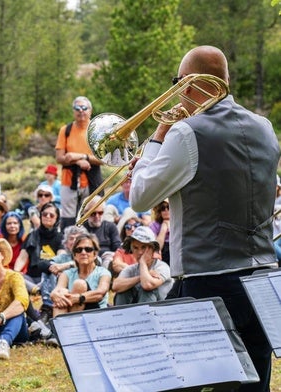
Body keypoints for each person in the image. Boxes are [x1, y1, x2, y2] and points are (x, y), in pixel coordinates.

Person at [129, 46, 280, 391]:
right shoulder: (265, 128)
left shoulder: (185, 133)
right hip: (261, 279)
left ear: (190, 83)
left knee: (182, 382)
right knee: (252, 385)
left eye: (178, 82)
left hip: (206, 281)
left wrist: (157, 139)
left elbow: (140, 197)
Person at [55, 96, 103, 231]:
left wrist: (81, 157)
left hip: (92, 179)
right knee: (68, 217)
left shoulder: (97, 130)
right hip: (69, 179)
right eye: (77, 108)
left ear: (90, 110)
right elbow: (59, 158)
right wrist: (78, 161)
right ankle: (68, 245)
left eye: (84, 108)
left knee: (91, 214)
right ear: (73, 111)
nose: (81, 111)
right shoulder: (66, 130)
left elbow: (103, 159)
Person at [50, 233, 111, 317]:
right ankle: (61, 329)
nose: (83, 252)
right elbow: (57, 290)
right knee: (61, 294)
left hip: (97, 314)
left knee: (79, 284)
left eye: (88, 249)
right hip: (72, 311)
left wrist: (77, 298)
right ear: (74, 255)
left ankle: (69, 327)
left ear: (95, 254)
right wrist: (55, 295)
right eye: (79, 250)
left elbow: (100, 294)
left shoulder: (103, 272)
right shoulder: (67, 273)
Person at [112, 226, 173, 305]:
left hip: (162, 311)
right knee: (122, 292)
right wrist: (139, 278)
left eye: (144, 247)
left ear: (152, 249)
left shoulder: (162, 267)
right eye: (135, 248)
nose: (140, 252)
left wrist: (143, 262)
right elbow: (116, 286)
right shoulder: (131, 269)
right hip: (135, 313)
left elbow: (148, 285)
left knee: (147, 291)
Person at [40, 225, 88, 319]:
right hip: (61, 294)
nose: (74, 241)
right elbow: (42, 264)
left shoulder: (89, 255)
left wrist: (67, 265)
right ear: (66, 243)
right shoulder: (63, 257)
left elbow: (92, 263)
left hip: (82, 295)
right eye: (71, 238)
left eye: (77, 238)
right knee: (48, 269)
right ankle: (48, 306)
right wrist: (53, 267)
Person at [14, 203, 65, 286]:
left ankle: (37, 290)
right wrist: (16, 273)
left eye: (51, 215)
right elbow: (22, 258)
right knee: (17, 277)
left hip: (51, 276)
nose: (47, 216)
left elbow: (60, 259)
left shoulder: (61, 237)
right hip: (31, 278)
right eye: (45, 214)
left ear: (57, 219)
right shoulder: (31, 235)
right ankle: (35, 289)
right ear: (41, 216)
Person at [81, 196, 121, 267]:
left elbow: (117, 247)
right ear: (86, 213)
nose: (97, 216)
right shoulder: (82, 229)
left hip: (108, 259)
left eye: (100, 213)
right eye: (93, 213)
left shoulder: (110, 226)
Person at [109, 209, 142, 277]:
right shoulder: (121, 250)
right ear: (125, 232)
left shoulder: (151, 247)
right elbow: (117, 265)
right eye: (128, 227)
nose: (132, 229)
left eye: (136, 225)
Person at [149, 199, 170, 265]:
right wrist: (164, 228)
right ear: (159, 211)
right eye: (163, 208)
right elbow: (157, 247)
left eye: (168, 207)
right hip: (162, 253)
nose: (166, 210)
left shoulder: (178, 222)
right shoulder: (153, 225)